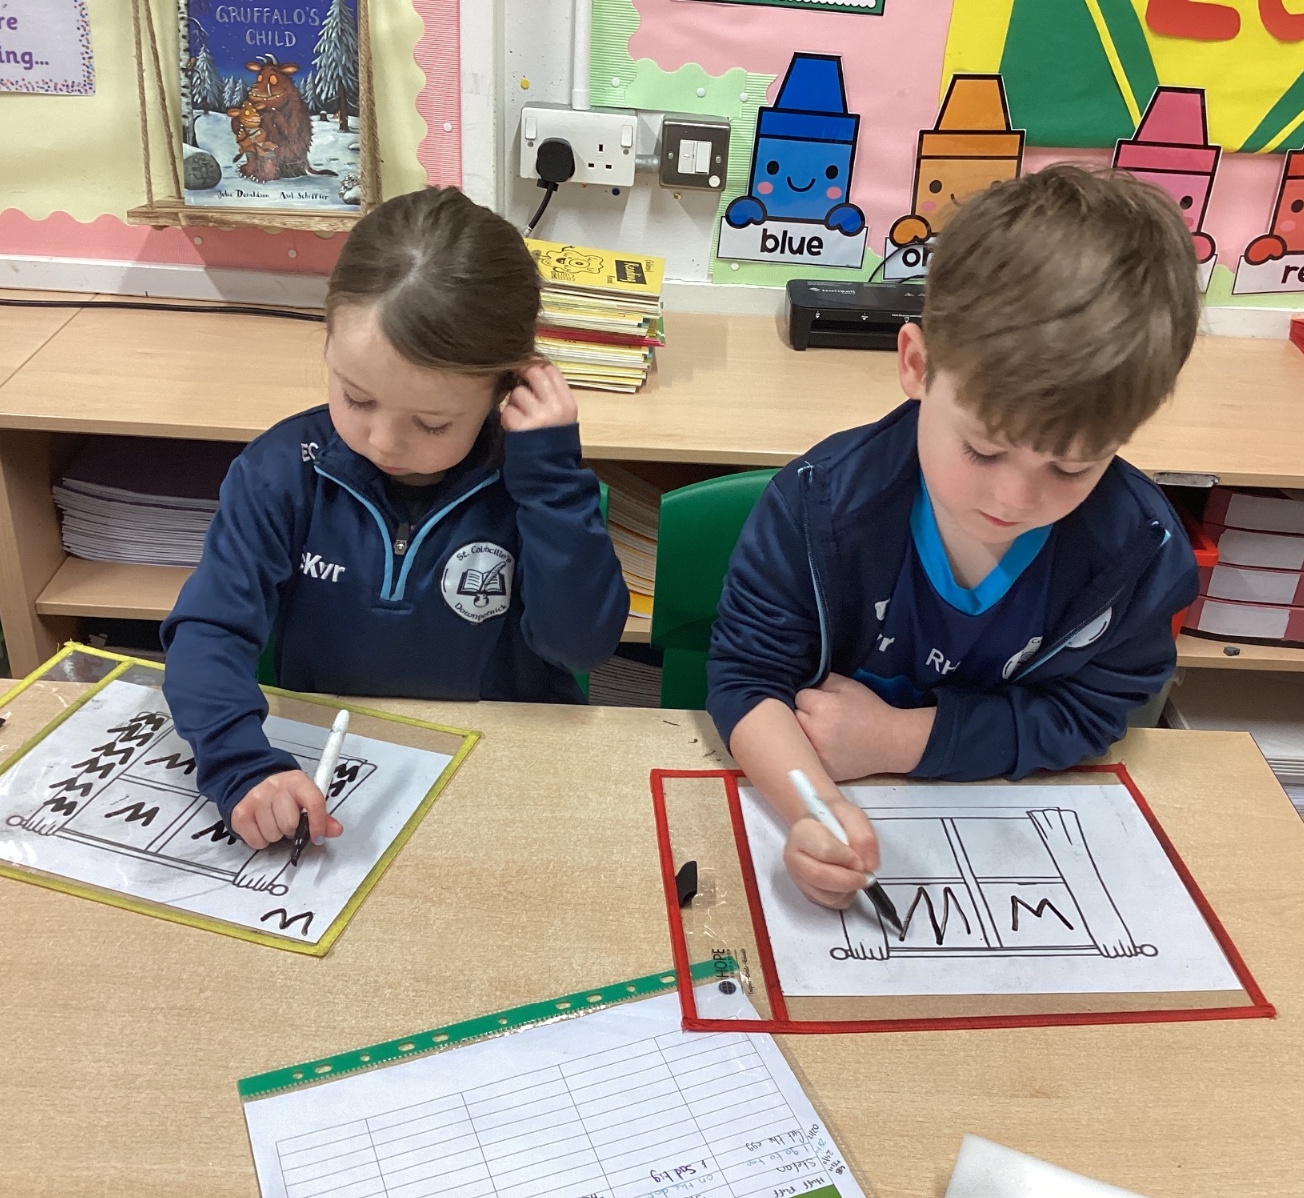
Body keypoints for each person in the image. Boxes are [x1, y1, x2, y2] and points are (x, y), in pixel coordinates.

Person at [707, 164, 1200, 910]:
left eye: (1072, 467)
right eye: (983, 449)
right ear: (916, 364)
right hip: (837, 793)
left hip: (1006, 831)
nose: (1015, 500)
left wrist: (898, 740)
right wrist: (815, 809)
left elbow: (1093, 713)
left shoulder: (1136, 553)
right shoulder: (818, 504)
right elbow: (746, 682)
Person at [162, 187, 629, 850]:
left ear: (508, 388)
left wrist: (552, 482)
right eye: (356, 398)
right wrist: (240, 763)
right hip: (332, 767)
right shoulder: (282, 471)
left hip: (502, 770)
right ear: (328, 342)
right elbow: (208, 629)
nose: (382, 441)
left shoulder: (534, 481)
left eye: (432, 423)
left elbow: (580, 645)